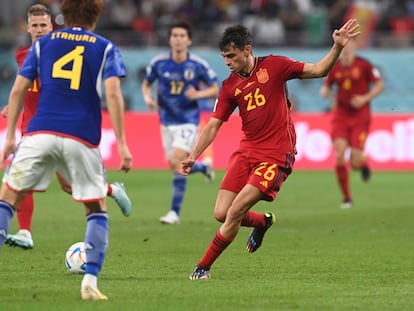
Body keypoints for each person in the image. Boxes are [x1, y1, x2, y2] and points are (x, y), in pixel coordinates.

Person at [181, 19, 361, 280]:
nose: (228, 62)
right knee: (221, 213)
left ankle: (203, 267)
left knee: (233, 213)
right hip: (246, 152)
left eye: (231, 56)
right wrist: (192, 156)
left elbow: (319, 70)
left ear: (247, 49)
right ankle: (263, 221)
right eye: (224, 57)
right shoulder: (229, 86)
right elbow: (212, 126)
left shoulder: (275, 66)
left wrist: (336, 47)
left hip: (275, 156)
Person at [0, 0, 132, 300]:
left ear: (63, 16)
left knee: (8, 197)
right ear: (95, 17)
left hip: (40, 130)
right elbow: (113, 93)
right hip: (81, 136)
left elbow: (18, 89)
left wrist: (9, 137)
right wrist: (123, 143)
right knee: (95, 208)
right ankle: (90, 280)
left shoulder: (43, 45)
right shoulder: (106, 47)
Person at [141, 22, 219, 225]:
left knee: (177, 160)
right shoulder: (159, 63)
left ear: (189, 40)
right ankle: (204, 168)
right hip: (166, 120)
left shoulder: (198, 65)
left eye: (182, 35)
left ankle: (174, 213)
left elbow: (215, 88)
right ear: (169, 39)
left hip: (187, 121)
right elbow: (146, 83)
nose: (178, 38)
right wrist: (147, 97)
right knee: (175, 165)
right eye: (174, 35)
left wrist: (198, 94)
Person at [320, 37, 384, 209]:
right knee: (340, 156)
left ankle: (362, 163)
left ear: (355, 45)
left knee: (354, 162)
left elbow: (379, 86)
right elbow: (326, 86)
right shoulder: (336, 66)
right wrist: (325, 91)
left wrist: (364, 98)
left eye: (350, 44)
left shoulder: (364, 65)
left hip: (360, 116)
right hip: (341, 114)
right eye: (344, 44)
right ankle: (347, 198)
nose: (347, 48)